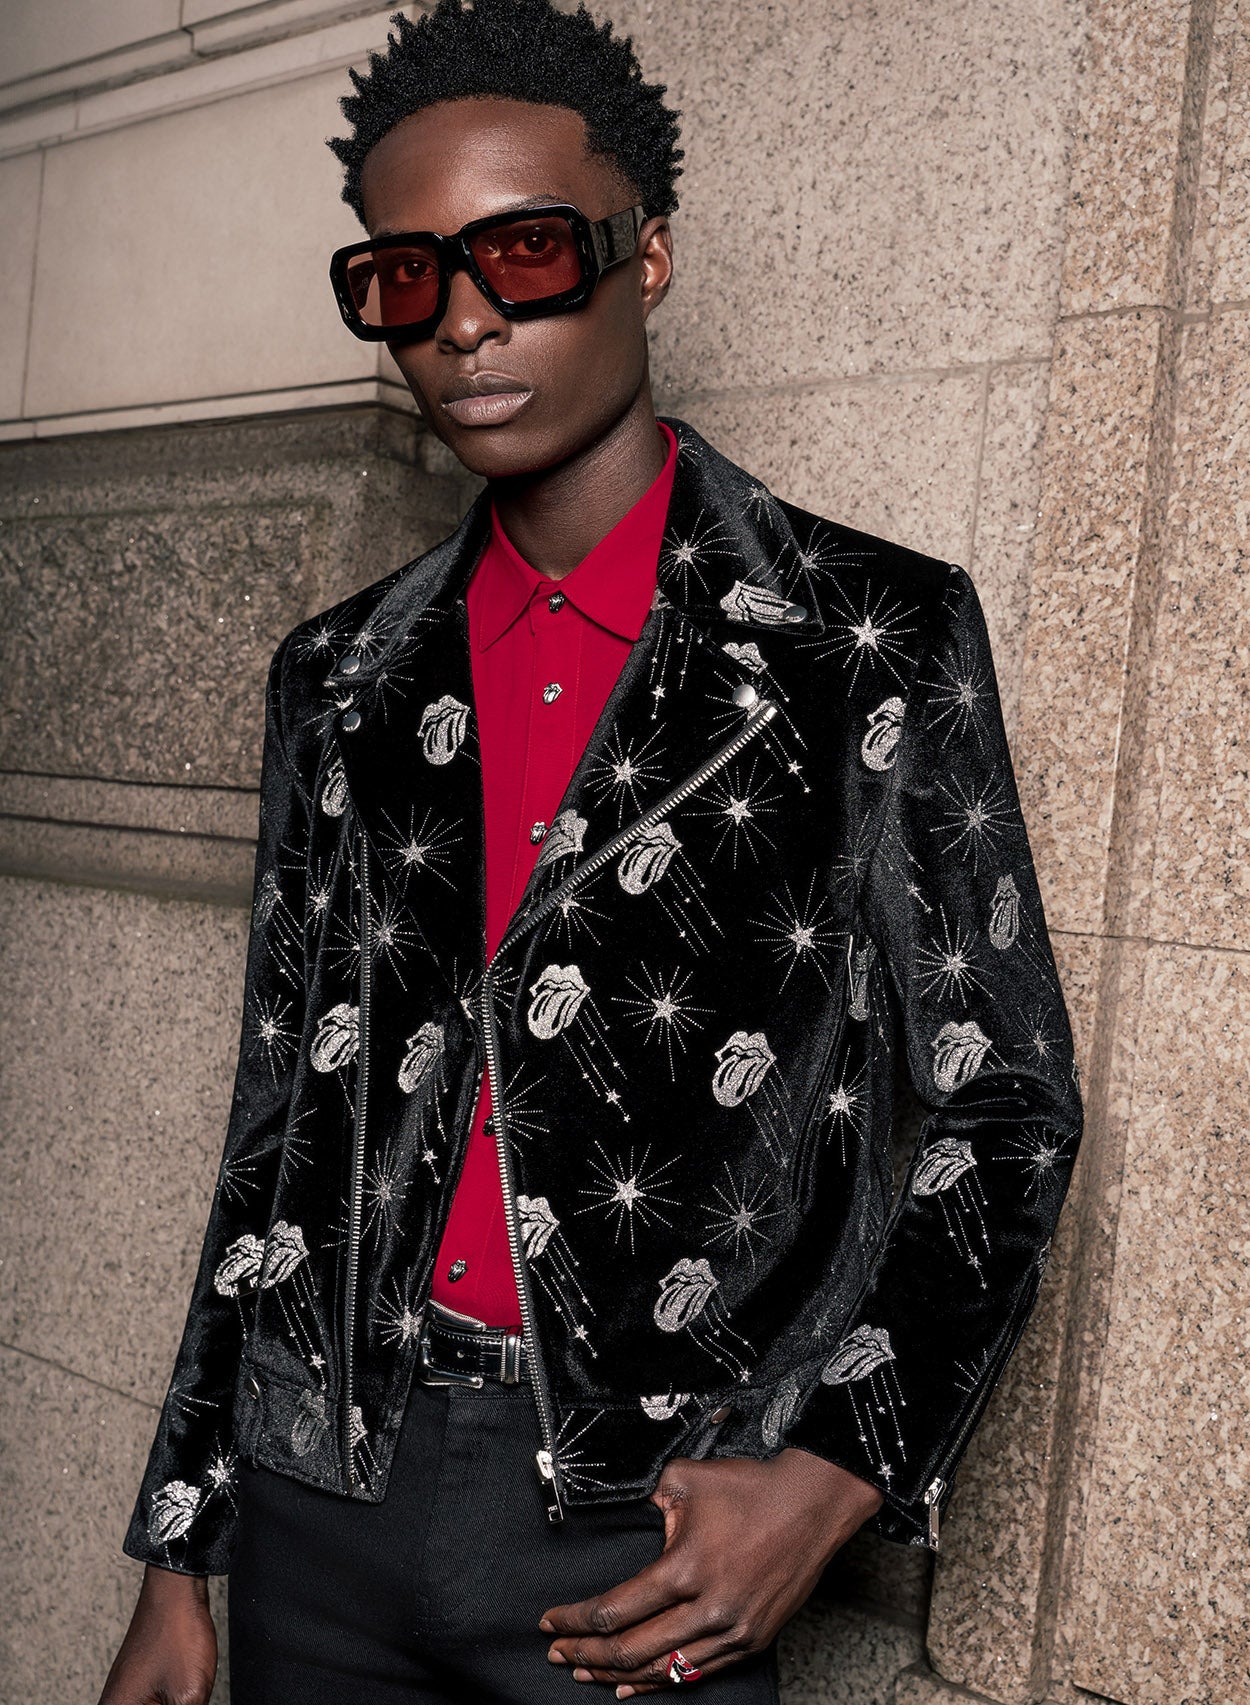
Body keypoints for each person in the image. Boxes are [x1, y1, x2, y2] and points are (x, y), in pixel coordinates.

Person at [100, 1, 1084, 1700]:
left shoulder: (864, 638)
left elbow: (1002, 1103)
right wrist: (183, 1552)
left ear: (649, 256)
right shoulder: (338, 675)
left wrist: (833, 1471)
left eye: (526, 250)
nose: (465, 319)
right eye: (403, 276)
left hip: (640, 1528)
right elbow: (279, 1126)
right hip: (320, 1508)